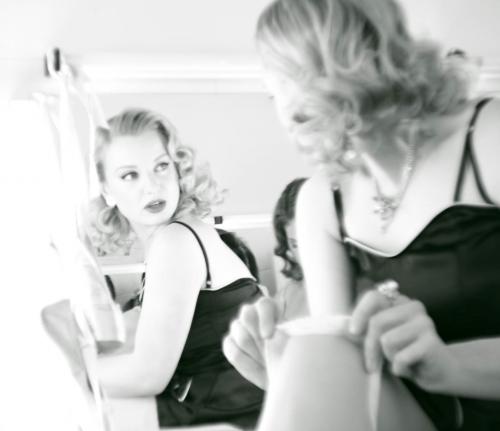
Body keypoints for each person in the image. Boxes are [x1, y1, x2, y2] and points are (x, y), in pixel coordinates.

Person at [226, 0, 500, 430]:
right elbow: (352, 377)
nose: (280, 105)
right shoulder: (321, 201)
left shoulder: (487, 140)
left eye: (286, 77)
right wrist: (281, 371)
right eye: (273, 87)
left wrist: (450, 365)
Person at [88, 108, 264, 428]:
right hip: (226, 409)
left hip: (239, 417)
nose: (152, 186)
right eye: (130, 175)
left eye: (161, 166)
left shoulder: (176, 241)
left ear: (177, 168)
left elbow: (147, 375)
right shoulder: (179, 238)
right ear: (106, 190)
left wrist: (73, 371)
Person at [224, 178, 308, 390]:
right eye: (296, 244)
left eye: (314, 238)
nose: (308, 253)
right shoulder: (285, 299)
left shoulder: (367, 289)